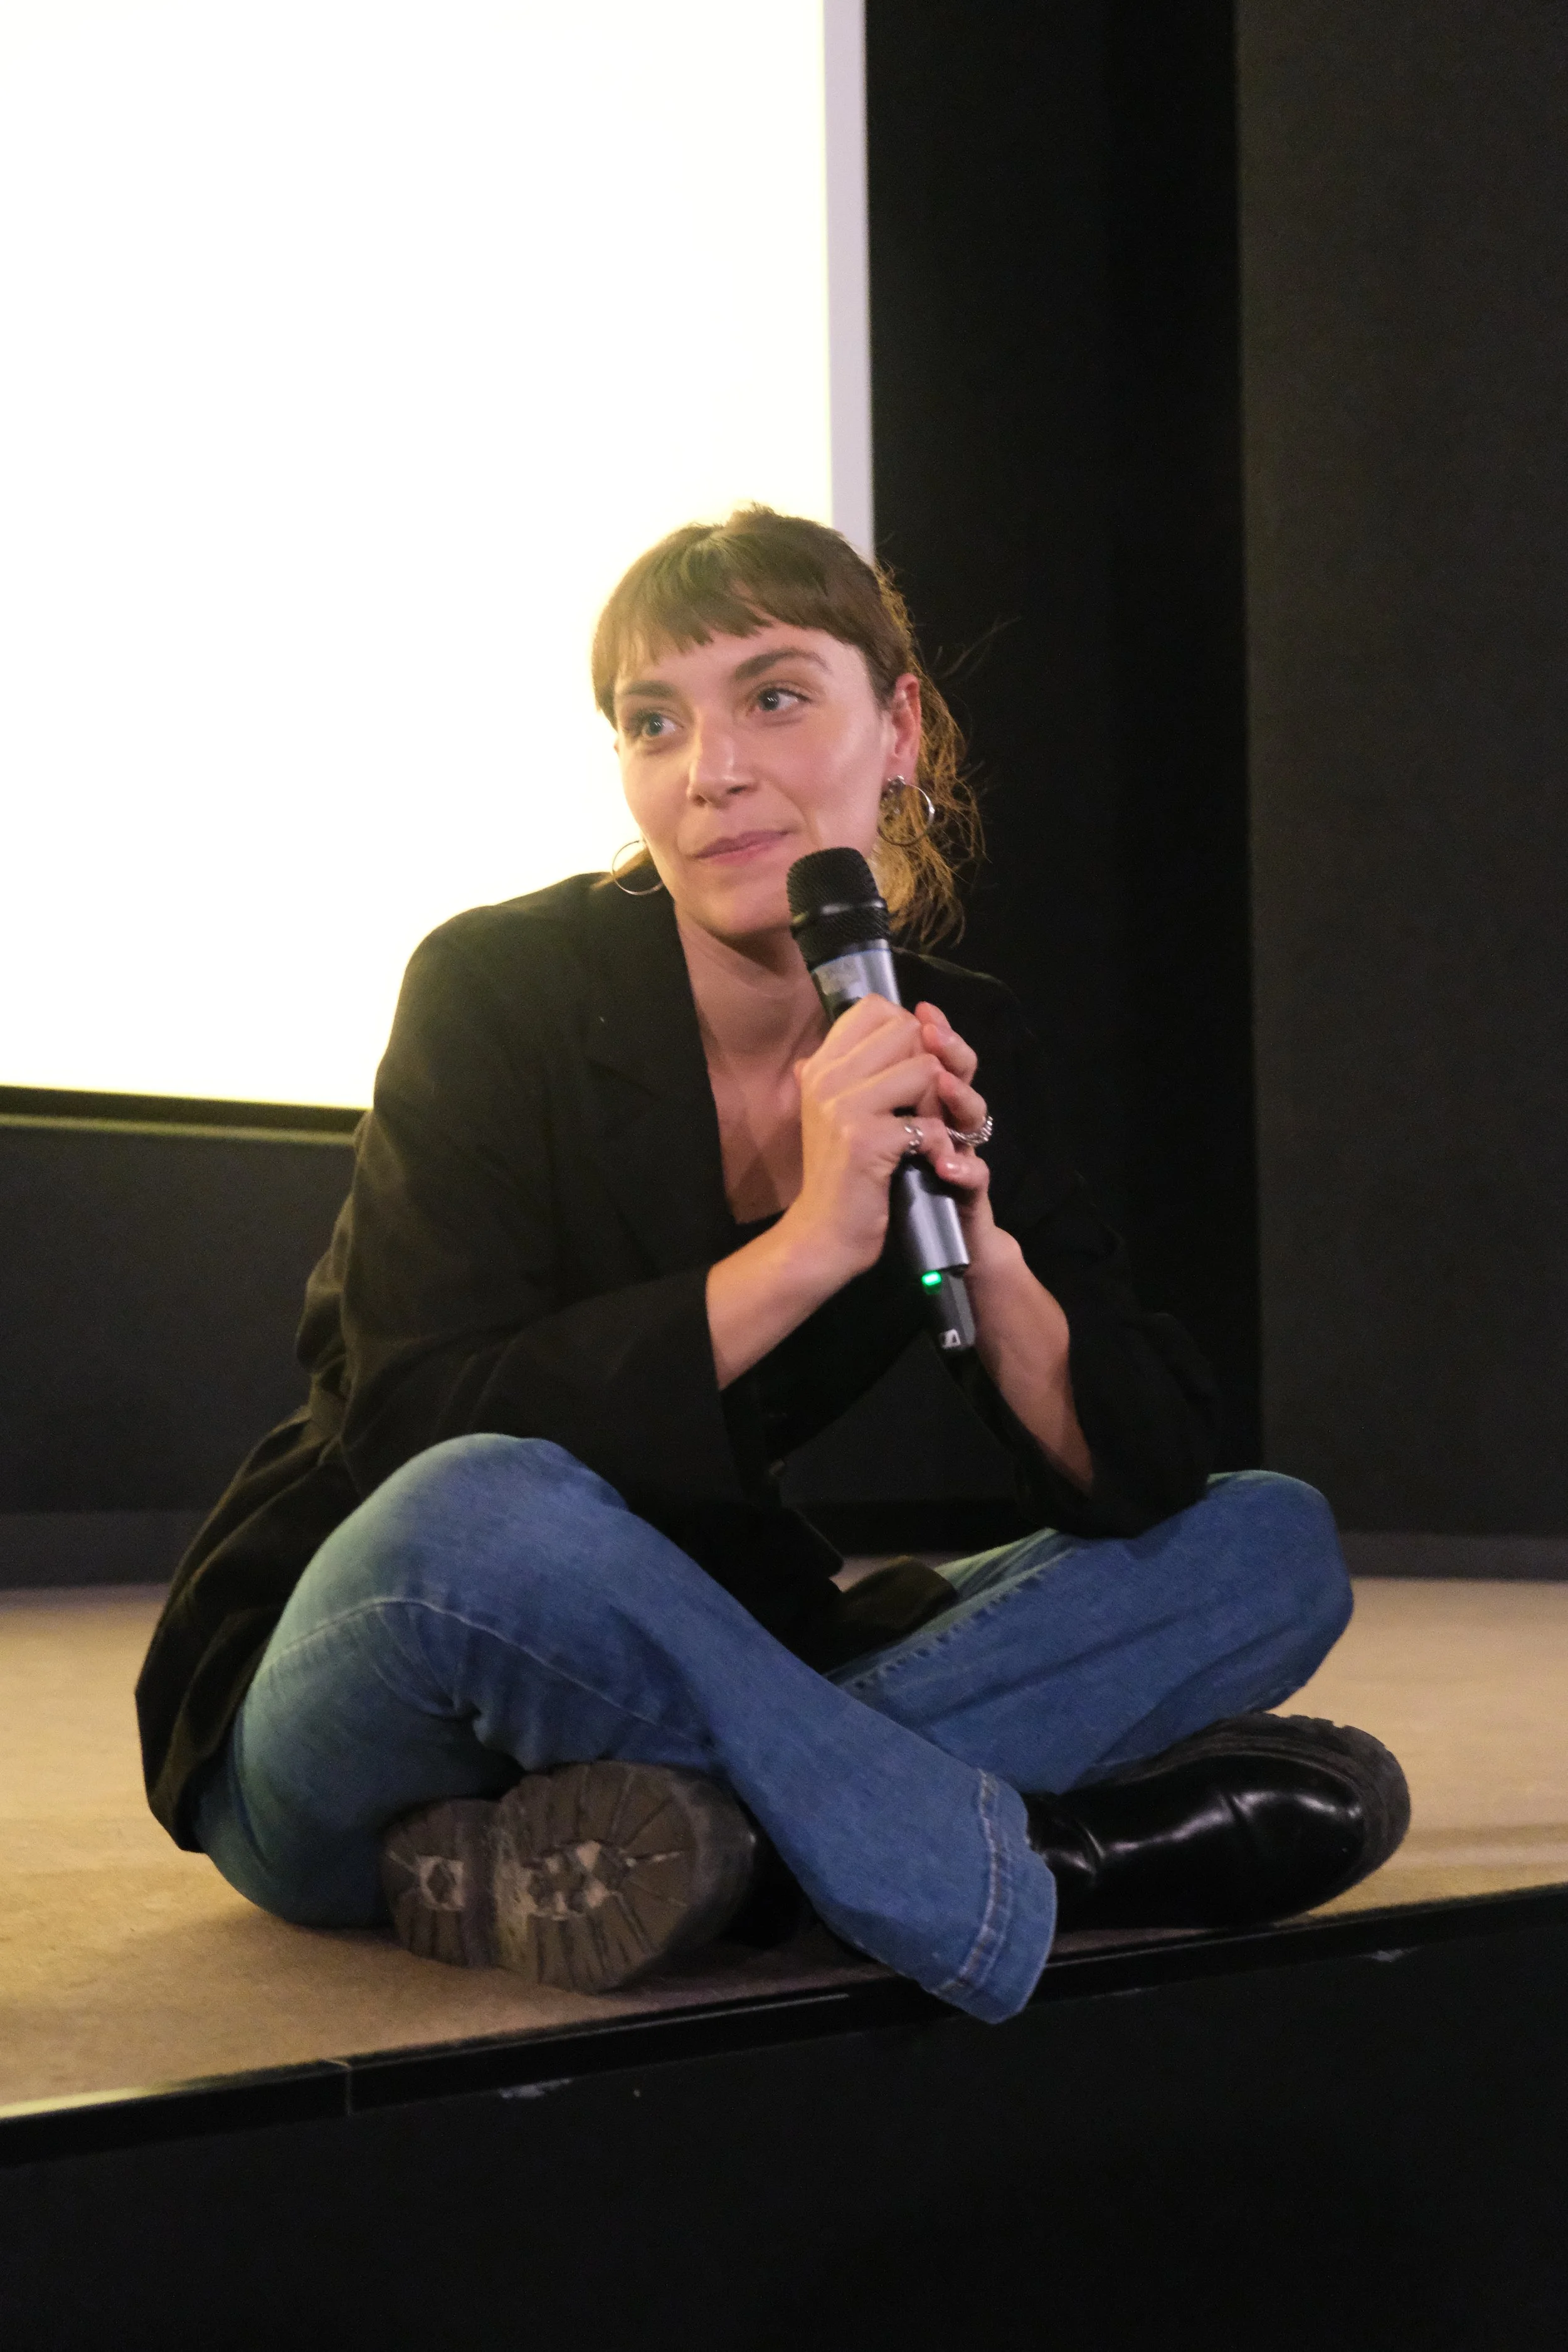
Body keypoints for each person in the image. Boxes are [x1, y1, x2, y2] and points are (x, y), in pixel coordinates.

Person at [135, 507, 1407, 2026]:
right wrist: (808, 1251)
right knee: (487, 1508)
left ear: (900, 727)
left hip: (685, 1664)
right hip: (390, 1669)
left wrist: (981, 1259)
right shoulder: (495, 987)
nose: (709, 770)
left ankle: (704, 1853)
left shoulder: (939, 1028)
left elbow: (1131, 1475)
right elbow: (411, 1425)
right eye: (651, 722)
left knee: (1262, 1542)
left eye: (774, 697)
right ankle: (1020, 1874)